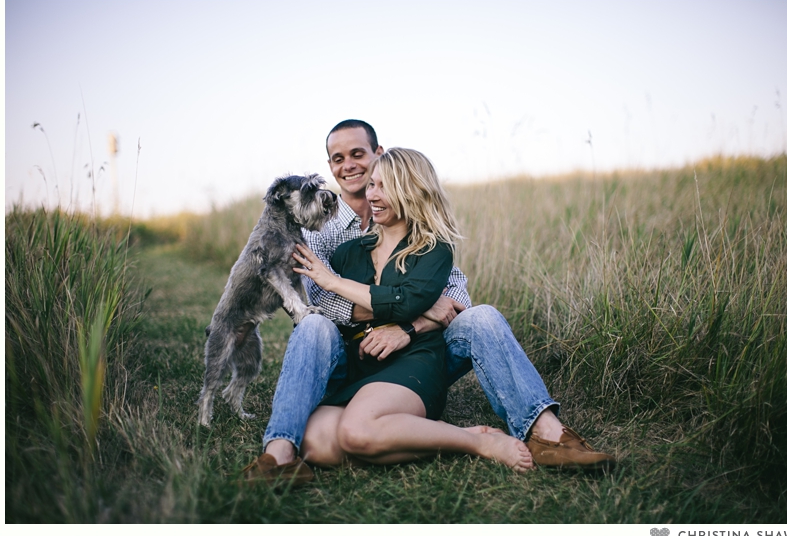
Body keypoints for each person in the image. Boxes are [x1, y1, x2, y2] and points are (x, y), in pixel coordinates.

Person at [243, 120, 615, 486]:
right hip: (351, 355)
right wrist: (407, 308)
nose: (351, 168)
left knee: (481, 318)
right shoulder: (321, 231)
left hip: (414, 352)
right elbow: (319, 307)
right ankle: (283, 454)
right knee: (322, 440)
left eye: (359, 156)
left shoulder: (429, 243)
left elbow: (456, 298)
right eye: (338, 159)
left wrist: (408, 325)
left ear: (380, 157)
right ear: (329, 167)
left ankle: (545, 431)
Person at [288, 147, 533, 470]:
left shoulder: (434, 250)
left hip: (413, 361)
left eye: (384, 186)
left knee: (356, 432)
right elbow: (323, 305)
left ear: (410, 191)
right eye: (372, 184)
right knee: (318, 445)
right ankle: (394, 434)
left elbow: (407, 300)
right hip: (360, 363)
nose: (372, 195)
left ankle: (477, 439)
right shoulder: (349, 252)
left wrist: (333, 282)